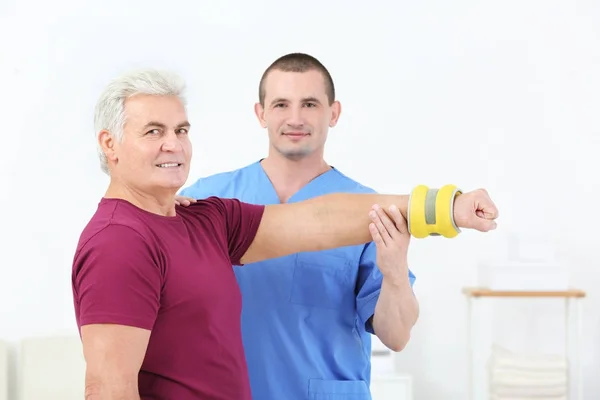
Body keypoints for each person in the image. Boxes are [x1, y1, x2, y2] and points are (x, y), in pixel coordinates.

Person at [72, 67, 498, 400]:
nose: (174, 144)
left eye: (181, 130)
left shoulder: (206, 218)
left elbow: (314, 221)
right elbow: (109, 388)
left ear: (333, 112)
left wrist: (448, 207)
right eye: (153, 131)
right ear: (109, 144)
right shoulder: (119, 242)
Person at [177, 52, 418, 399]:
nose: (295, 118)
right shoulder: (206, 200)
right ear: (261, 114)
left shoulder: (366, 210)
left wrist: (395, 271)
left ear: (333, 113)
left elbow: (397, 336)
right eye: (280, 105)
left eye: (309, 104)